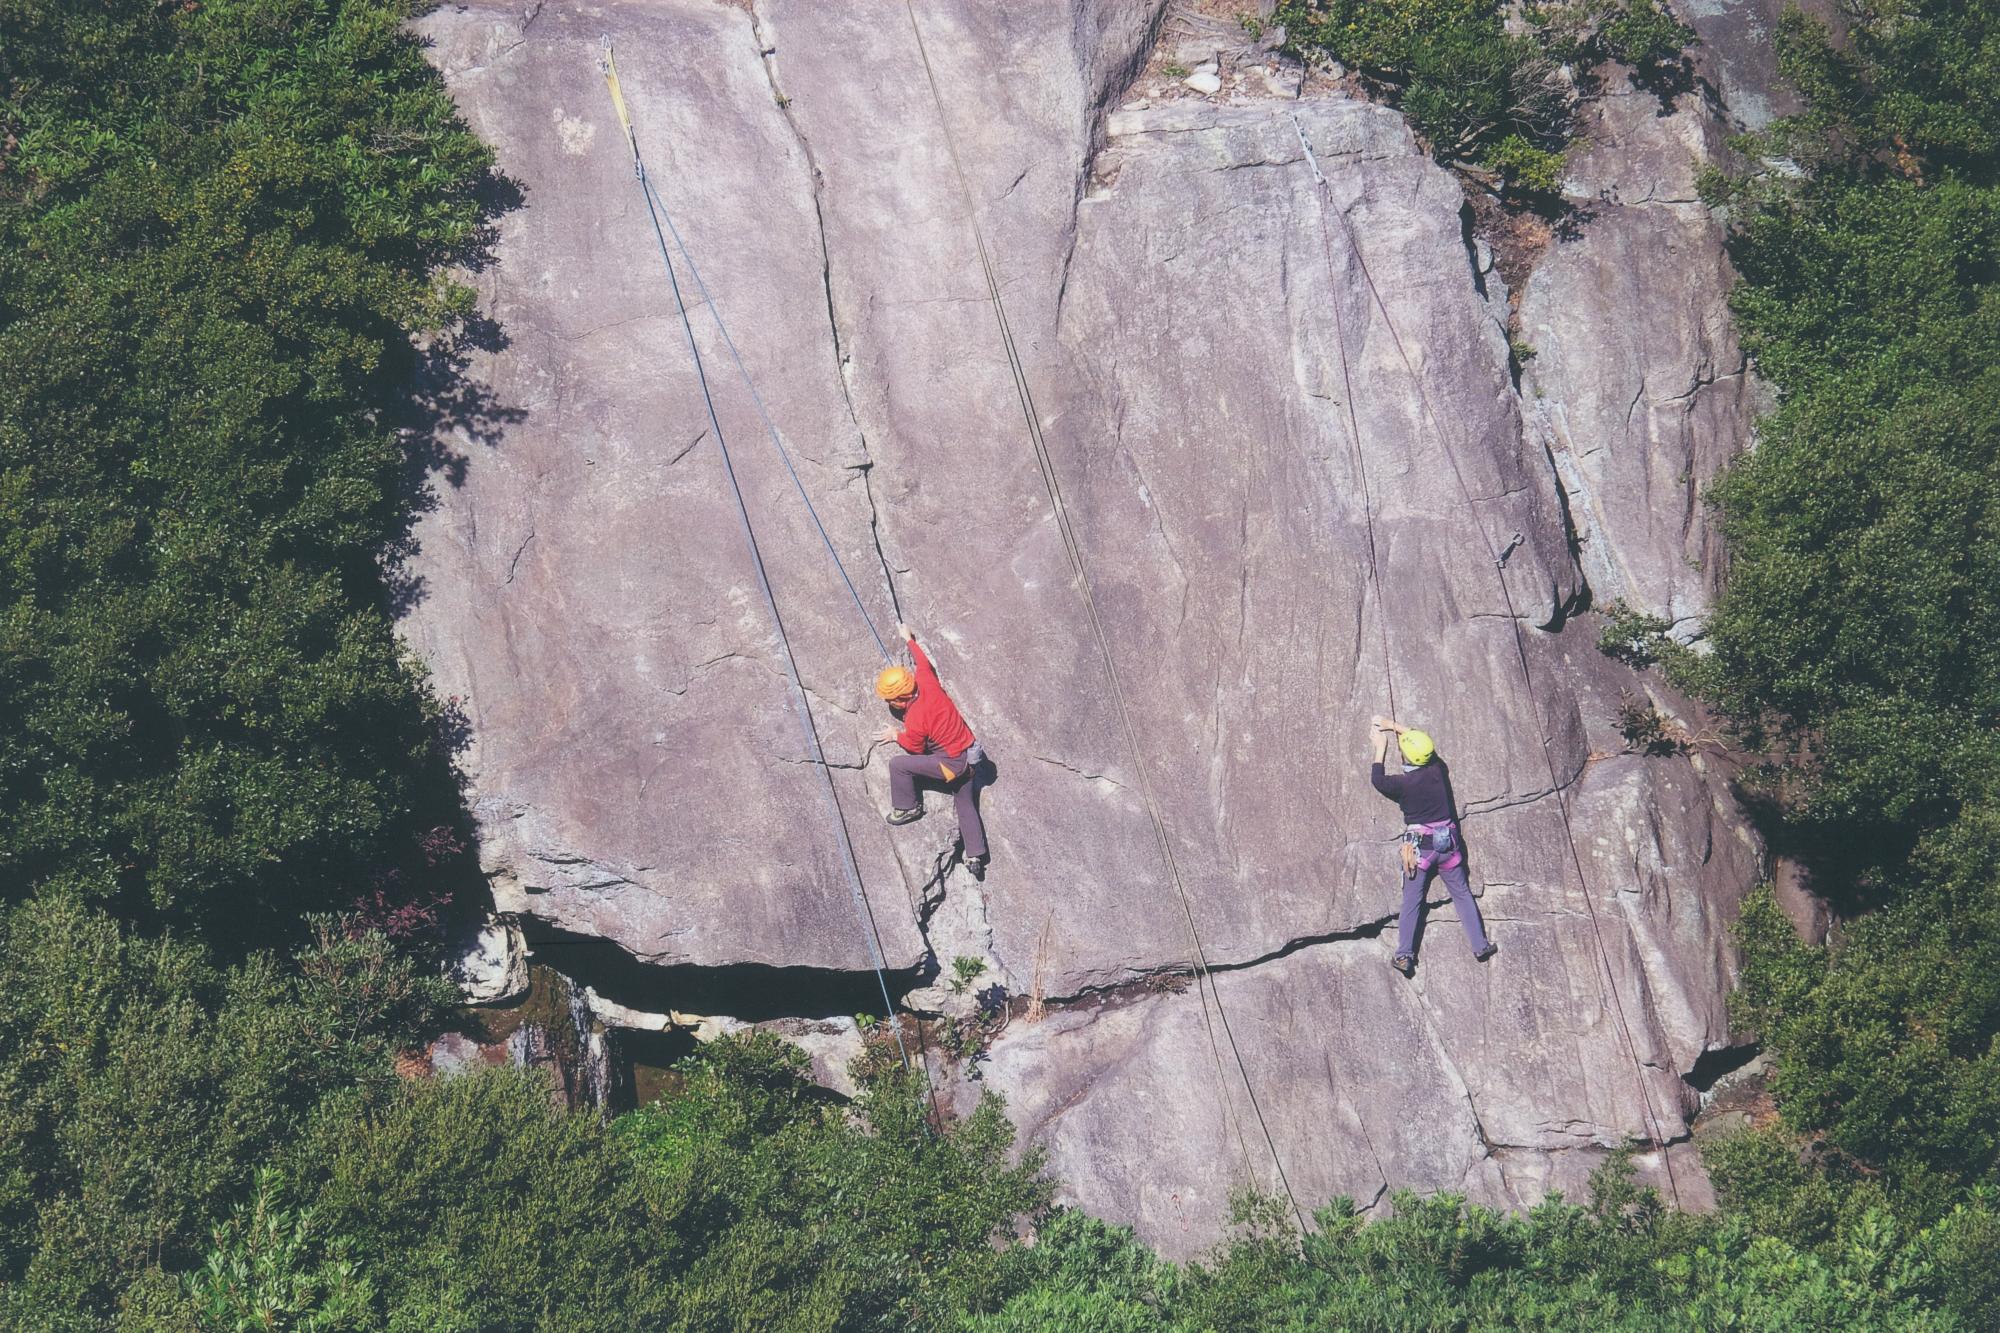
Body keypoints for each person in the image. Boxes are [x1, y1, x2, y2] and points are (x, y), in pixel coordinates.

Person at [1369, 715, 1497, 975]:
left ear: (1406, 758)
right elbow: (1428, 748)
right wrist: (1394, 725)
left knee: (1412, 901)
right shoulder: (1438, 770)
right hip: (1448, 845)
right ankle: (1480, 945)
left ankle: (1404, 955)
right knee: (1462, 893)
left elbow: (1378, 781)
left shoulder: (1402, 784)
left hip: (1421, 849)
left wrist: (1380, 747)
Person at [876, 623, 988, 879]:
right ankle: (975, 854)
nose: (889, 703)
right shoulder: (925, 682)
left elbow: (914, 748)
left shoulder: (915, 718)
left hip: (952, 765)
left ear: (900, 700)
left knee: (898, 765)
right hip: (970, 756)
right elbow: (923, 663)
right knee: (965, 802)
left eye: (890, 700)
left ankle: (908, 807)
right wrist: (909, 639)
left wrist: (896, 735)